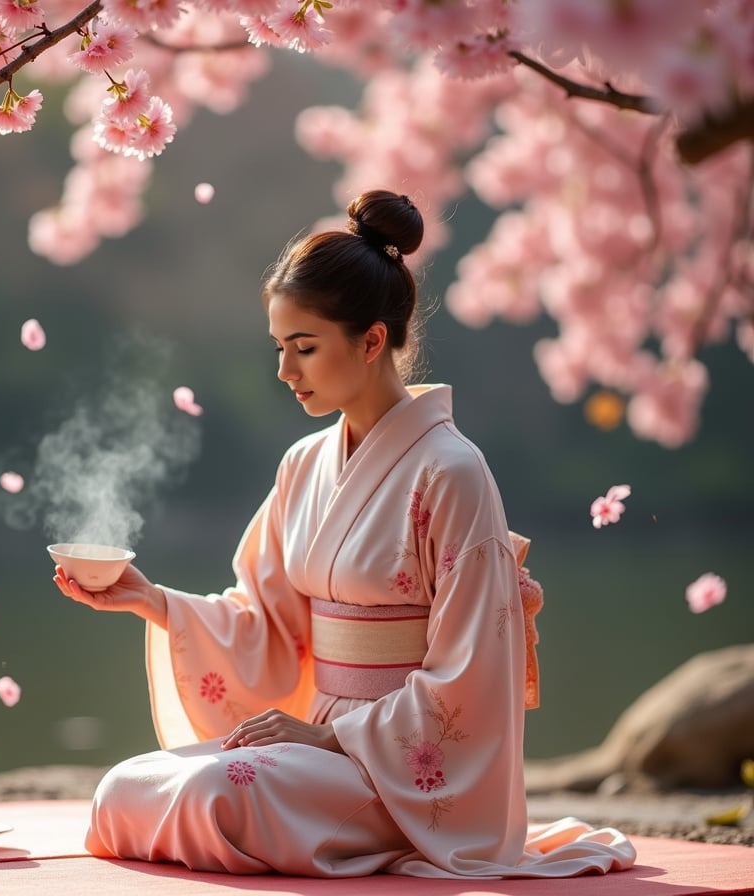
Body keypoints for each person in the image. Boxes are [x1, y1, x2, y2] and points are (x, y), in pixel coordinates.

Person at [52, 189, 635, 878]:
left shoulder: (452, 472)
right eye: (279, 347)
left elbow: (473, 674)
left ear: (373, 340)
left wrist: (332, 735)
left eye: (304, 347)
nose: (284, 371)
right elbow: (266, 621)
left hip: (404, 770)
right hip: (309, 744)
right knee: (120, 792)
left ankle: (389, 834)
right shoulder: (303, 465)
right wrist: (155, 601)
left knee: (214, 797)